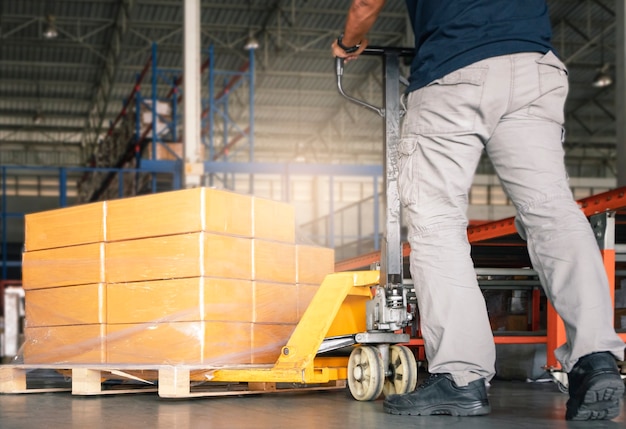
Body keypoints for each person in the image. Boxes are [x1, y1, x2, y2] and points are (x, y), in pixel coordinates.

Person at [332, 0, 625, 421]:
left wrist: (349, 42)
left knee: (437, 224)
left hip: (455, 69)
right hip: (534, 65)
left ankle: (461, 377)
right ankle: (595, 358)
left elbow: (366, 3)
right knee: (553, 213)